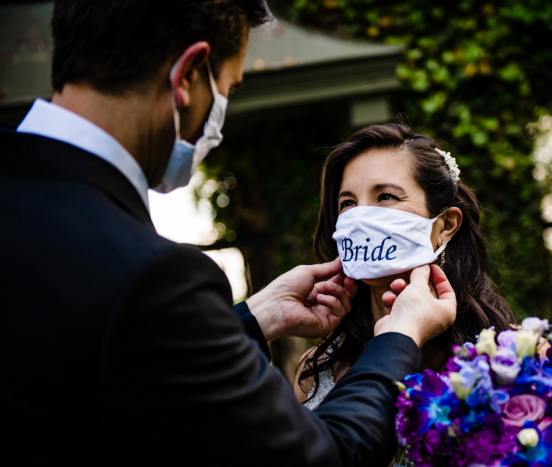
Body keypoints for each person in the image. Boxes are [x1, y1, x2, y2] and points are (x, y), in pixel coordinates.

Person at [0, 2, 457, 466]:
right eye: (227, 88)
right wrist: (399, 335)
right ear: (187, 76)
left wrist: (255, 317)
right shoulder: (153, 274)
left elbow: (93, 362)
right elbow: (322, 458)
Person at [295, 123, 519, 412]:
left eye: (386, 196)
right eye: (348, 203)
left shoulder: (511, 353)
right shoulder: (316, 369)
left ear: (446, 224)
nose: (362, 216)